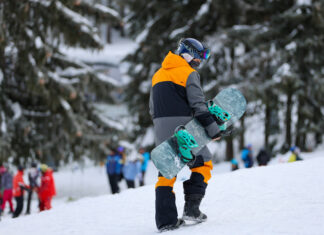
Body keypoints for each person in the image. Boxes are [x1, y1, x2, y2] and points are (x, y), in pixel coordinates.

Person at [149, 38, 224, 231]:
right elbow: (198, 106)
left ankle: (166, 221)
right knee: (203, 162)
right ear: (187, 54)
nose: (199, 62)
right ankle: (192, 209)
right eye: (198, 58)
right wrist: (213, 130)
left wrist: (161, 127)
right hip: (184, 128)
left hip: (160, 127)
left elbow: (151, 108)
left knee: (166, 171)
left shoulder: (157, 75)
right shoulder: (189, 73)